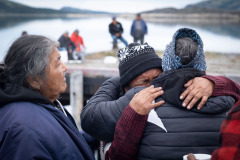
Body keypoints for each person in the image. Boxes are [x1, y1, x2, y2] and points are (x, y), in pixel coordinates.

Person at [81, 29, 240, 159]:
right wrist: (218, 82)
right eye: (144, 81)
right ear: (204, 68)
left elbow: (90, 119)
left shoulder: (139, 97)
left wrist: (117, 79)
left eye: (156, 78)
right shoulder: (230, 99)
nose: (150, 86)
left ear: (166, 67)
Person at [0, 35, 127, 160]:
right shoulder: (23, 130)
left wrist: (97, 133)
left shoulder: (42, 107)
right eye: (57, 63)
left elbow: (61, 145)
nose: (65, 68)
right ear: (34, 79)